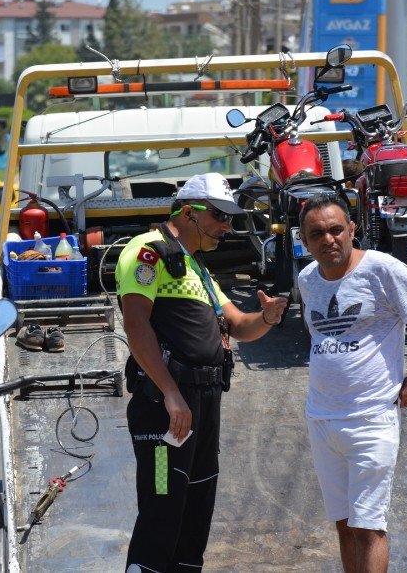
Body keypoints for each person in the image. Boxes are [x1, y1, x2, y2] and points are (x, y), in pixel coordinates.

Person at [116, 173, 289, 572]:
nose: (227, 227)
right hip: (165, 411)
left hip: (204, 408)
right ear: (189, 212)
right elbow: (136, 325)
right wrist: (171, 393)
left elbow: (239, 325)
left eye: (230, 219)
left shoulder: (196, 269)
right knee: (161, 512)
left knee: (194, 521)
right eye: (220, 216)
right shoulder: (149, 251)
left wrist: (267, 316)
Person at [296, 194, 407, 573]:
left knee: (368, 528)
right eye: (317, 233)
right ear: (304, 240)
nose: (328, 239)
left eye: (336, 229)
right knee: (344, 525)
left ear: (353, 230)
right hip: (321, 419)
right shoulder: (306, 279)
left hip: (370, 419)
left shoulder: (382, 269)